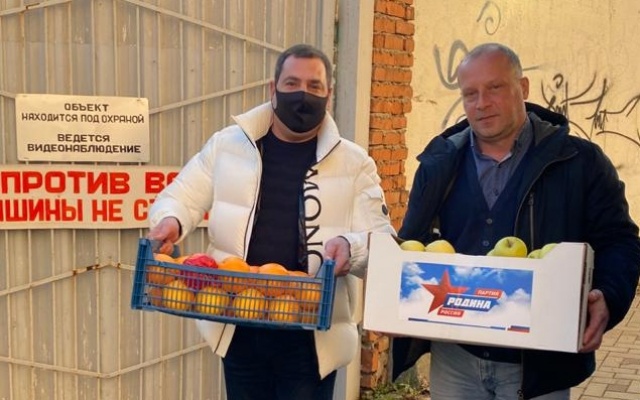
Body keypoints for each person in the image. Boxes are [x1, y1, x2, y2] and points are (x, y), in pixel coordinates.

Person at [147, 43, 395, 400]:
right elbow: (181, 195)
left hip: (311, 337)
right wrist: (170, 220)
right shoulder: (228, 145)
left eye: (314, 86)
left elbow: (380, 241)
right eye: (292, 83)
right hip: (239, 320)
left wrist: (351, 247)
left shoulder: (355, 164)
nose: (302, 95)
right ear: (272, 88)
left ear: (328, 95)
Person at [393, 43, 640, 400]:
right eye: (470, 94)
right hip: (455, 359)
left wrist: (609, 295)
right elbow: (410, 245)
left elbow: (619, 240)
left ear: (522, 88)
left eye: (495, 87)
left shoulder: (579, 162)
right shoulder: (439, 164)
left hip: (538, 363)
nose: (482, 103)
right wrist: (398, 299)